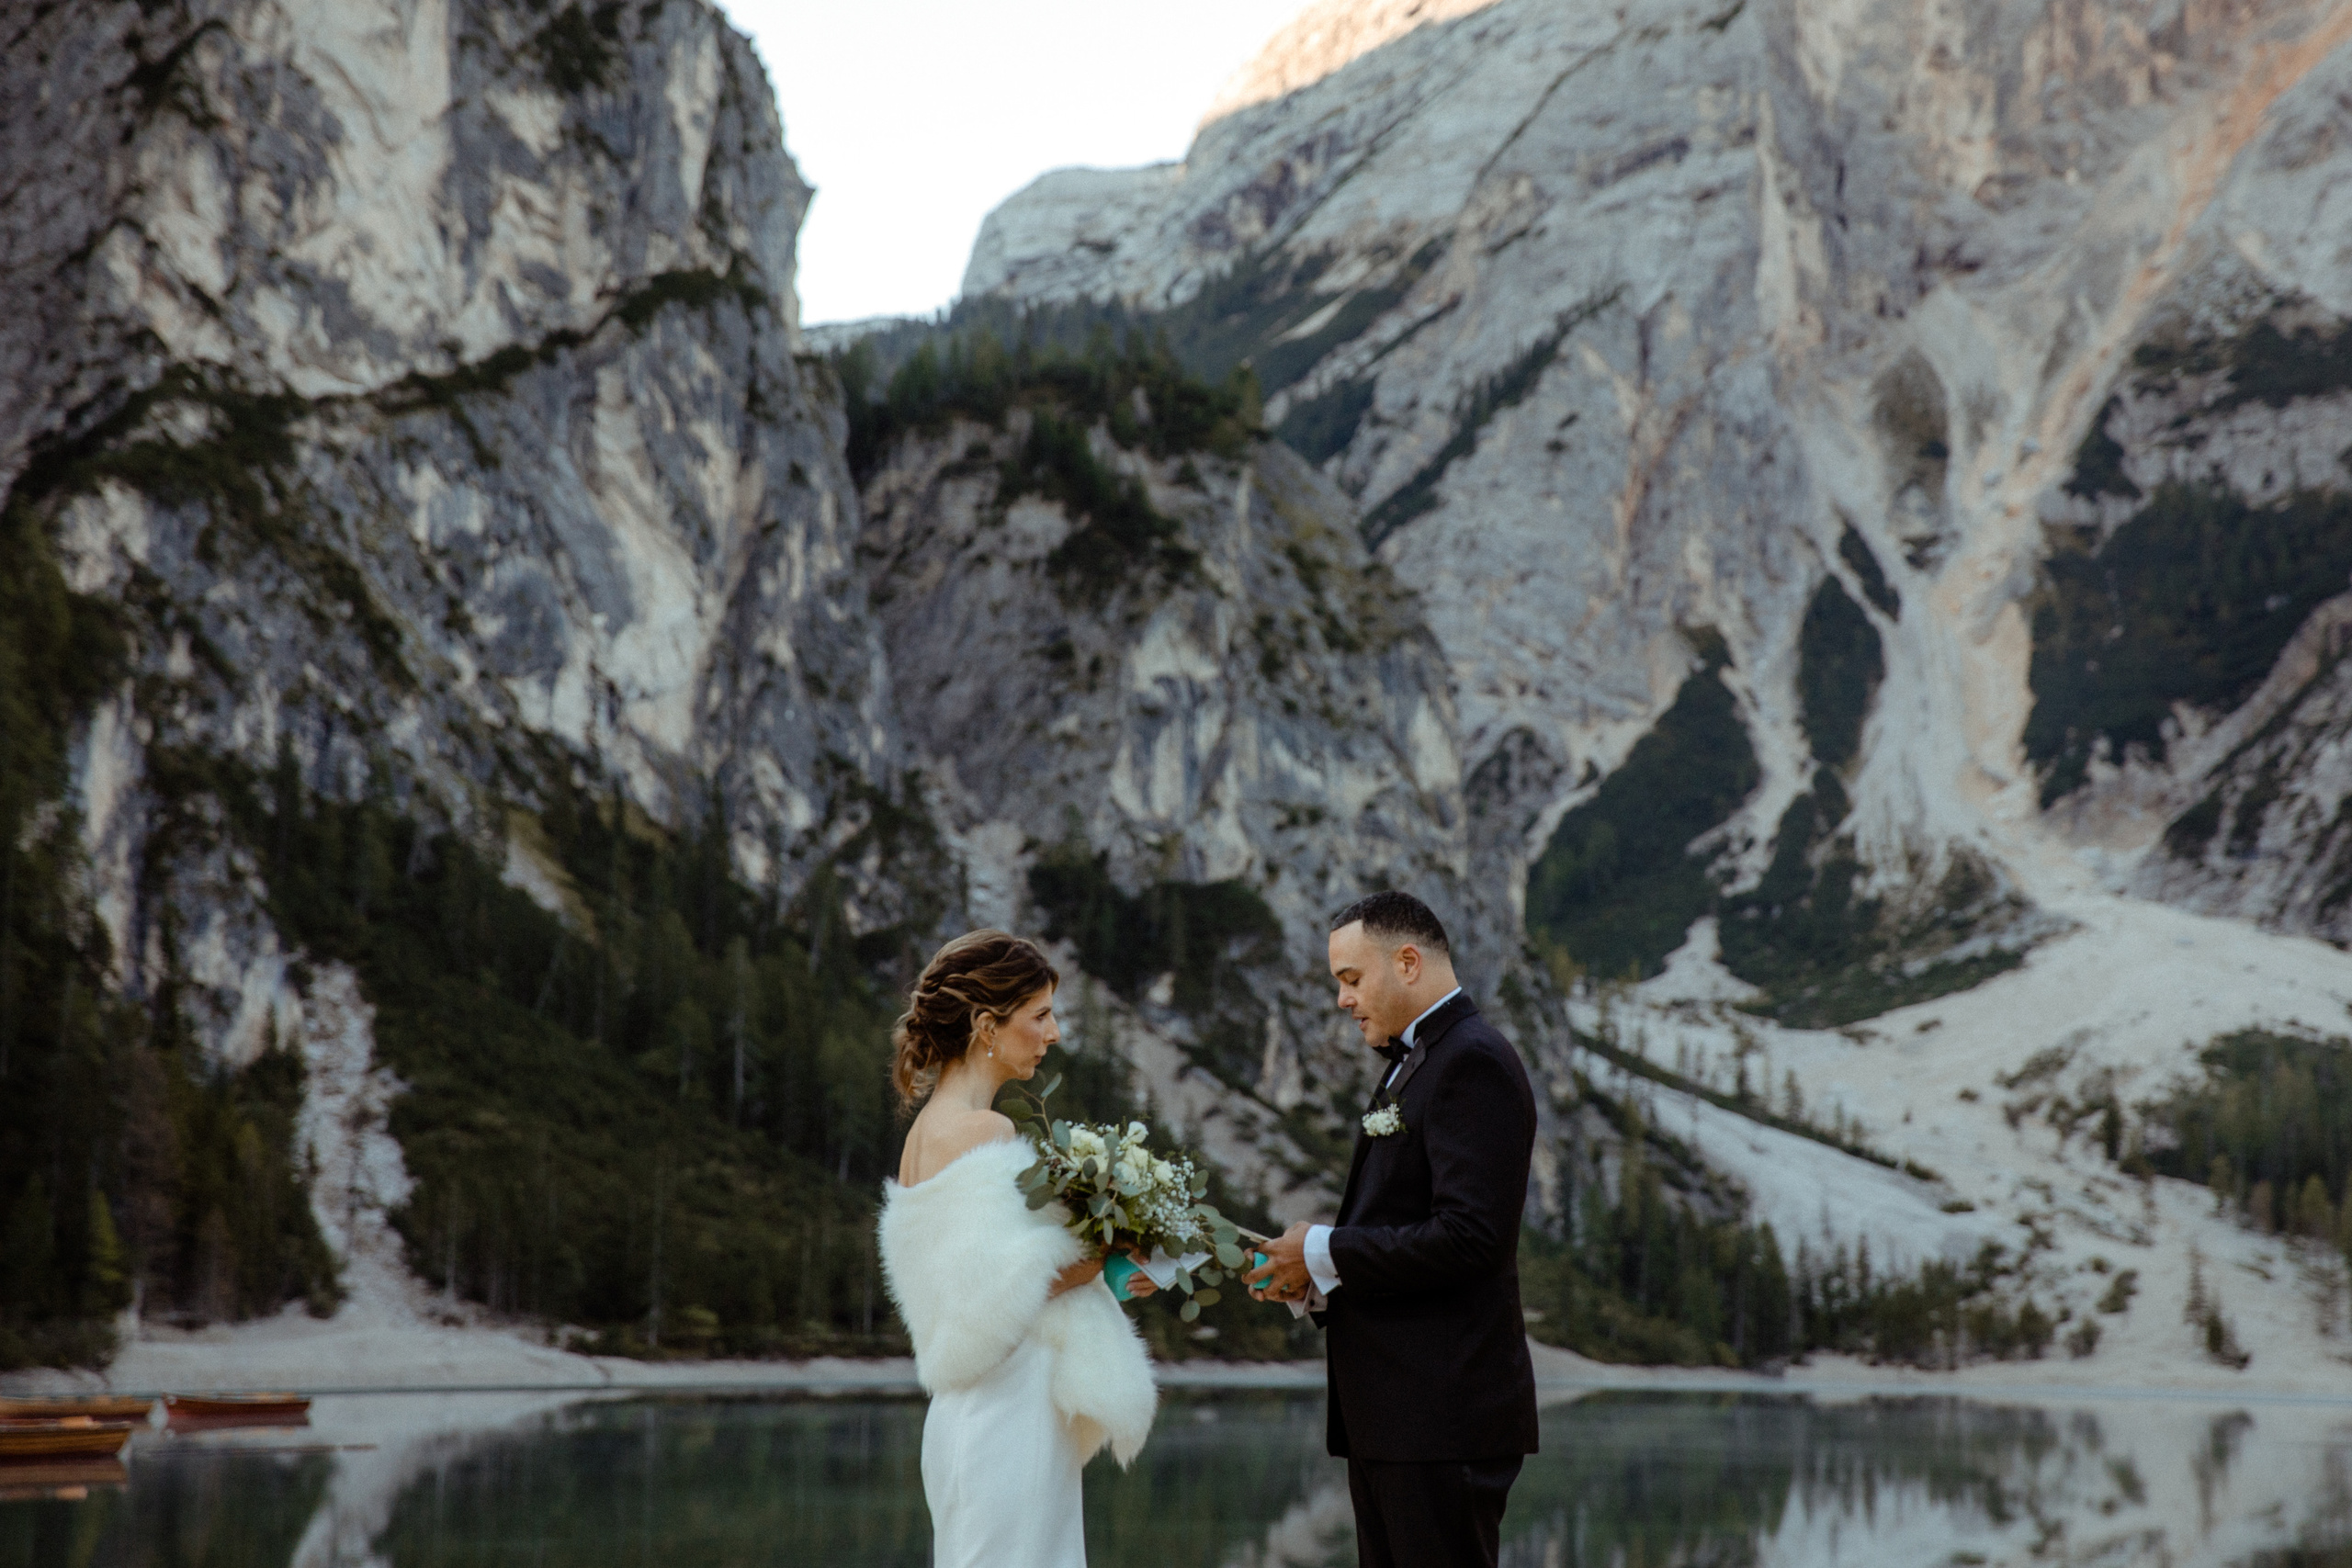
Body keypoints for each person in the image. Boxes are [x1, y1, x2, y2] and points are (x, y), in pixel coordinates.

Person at [1246, 891, 1540, 1568]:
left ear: (1407, 961)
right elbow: (1402, 1228)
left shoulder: (1473, 1060)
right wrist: (1309, 1277)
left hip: (1442, 1419)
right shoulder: (1416, 1062)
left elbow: (1471, 1236)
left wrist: (1323, 1249)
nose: (1343, 1000)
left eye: (1351, 979)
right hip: (1398, 1420)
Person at [876, 930, 1159, 1567]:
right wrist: (1119, 1248)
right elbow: (1010, 1287)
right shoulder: (982, 1130)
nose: (1053, 1032)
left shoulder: (928, 1130)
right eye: (1040, 1014)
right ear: (985, 1024)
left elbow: (992, 1280)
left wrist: (1107, 1266)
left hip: (972, 1416)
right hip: (1009, 1421)